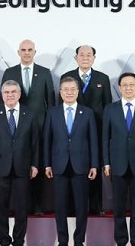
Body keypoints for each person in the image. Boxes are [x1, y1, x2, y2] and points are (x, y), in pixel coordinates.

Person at [1, 39, 55, 214]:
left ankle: (37, 205)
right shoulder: (9, 72)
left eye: (30, 49)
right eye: (23, 49)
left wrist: (49, 127)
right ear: (18, 52)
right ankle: (16, 206)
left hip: (38, 126)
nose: (26, 52)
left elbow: (51, 102)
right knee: (15, 166)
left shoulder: (45, 73)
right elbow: (3, 99)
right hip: (14, 127)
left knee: (36, 166)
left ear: (34, 52)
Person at [102, 72, 135, 246]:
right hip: (117, 165)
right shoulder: (110, 109)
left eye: (131, 84)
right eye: (124, 85)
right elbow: (105, 138)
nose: (128, 88)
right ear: (119, 88)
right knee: (118, 208)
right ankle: (121, 241)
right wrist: (106, 162)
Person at [0, 80, 39, 246]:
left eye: (13, 92)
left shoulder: (30, 114)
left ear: (19, 94)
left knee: (22, 208)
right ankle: (3, 240)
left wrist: (35, 164)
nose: (10, 95)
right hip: (0, 167)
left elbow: (35, 142)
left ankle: (19, 240)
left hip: (23, 166)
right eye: (6, 92)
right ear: (2, 95)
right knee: (1, 207)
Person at [44, 76, 98, 246]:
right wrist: (47, 164)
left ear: (77, 91)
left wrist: (94, 165)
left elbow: (93, 140)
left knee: (82, 206)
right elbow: (47, 140)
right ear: (60, 92)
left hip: (81, 165)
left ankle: (79, 240)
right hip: (58, 165)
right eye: (65, 89)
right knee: (59, 206)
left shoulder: (87, 112)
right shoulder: (52, 112)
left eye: (72, 89)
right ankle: (62, 240)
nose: (69, 92)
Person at [60, 45, 112, 215]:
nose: (85, 57)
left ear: (94, 58)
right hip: (72, 131)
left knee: (94, 167)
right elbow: (59, 106)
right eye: (81, 55)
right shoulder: (66, 77)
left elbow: (107, 107)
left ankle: (96, 206)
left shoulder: (103, 78)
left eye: (89, 55)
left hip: (95, 130)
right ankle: (72, 208)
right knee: (73, 169)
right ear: (76, 58)